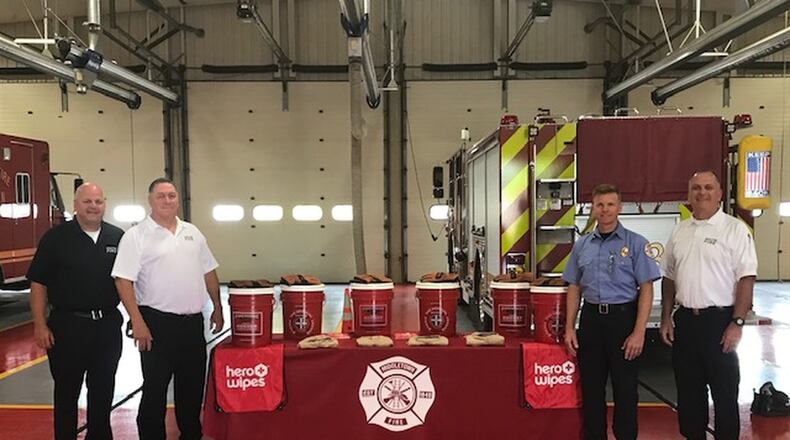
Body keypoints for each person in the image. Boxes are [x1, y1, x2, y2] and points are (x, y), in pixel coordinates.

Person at [112, 177, 223, 440]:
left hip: (192, 325)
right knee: (155, 391)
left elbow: (209, 271)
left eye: (172, 196)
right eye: (161, 196)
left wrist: (217, 307)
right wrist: (136, 321)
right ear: (150, 200)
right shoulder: (136, 236)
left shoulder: (192, 233)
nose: (167, 200)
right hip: (156, 325)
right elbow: (123, 280)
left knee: (192, 390)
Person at [659, 171, 757, 440]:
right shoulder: (680, 230)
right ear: (689, 194)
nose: (702, 193)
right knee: (689, 394)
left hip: (720, 321)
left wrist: (737, 323)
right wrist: (667, 317)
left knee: (725, 394)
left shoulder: (734, 230)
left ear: (719, 194)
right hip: (687, 323)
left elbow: (746, 278)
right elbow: (668, 276)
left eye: (708, 188)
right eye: (696, 188)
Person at [27, 182, 125, 439]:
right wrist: (40, 324)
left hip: (107, 328)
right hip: (67, 327)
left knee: (103, 391)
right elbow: (39, 284)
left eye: (98, 202)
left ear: (105, 204)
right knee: (66, 392)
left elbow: (127, 282)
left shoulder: (118, 237)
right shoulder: (56, 238)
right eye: (87, 202)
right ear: (75, 205)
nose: (94, 207)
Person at [563, 184, 660, 440]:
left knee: (625, 390)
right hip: (592, 320)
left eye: (610, 204)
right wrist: (570, 327)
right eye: (600, 205)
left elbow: (646, 289)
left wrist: (639, 332)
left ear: (620, 208)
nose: (605, 210)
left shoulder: (637, 244)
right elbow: (573, 286)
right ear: (592, 208)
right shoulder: (581, 246)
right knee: (592, 390)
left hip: (623, 321)